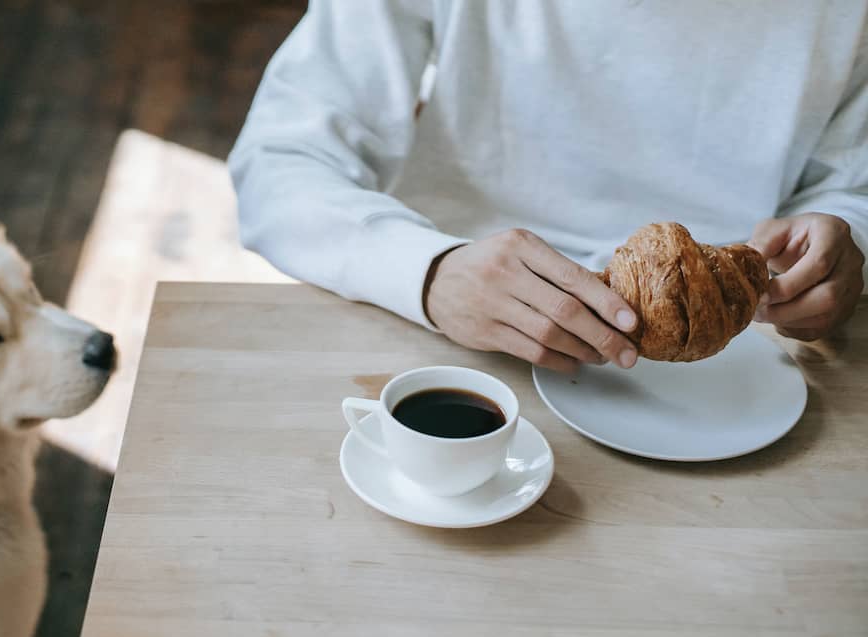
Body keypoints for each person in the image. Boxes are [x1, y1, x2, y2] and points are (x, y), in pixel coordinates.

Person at [229, 1, 867, 372]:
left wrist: (844, 243)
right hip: (448, 333)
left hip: (744, 366)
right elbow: (282, 156)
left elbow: (853, 187)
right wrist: (428, 271)